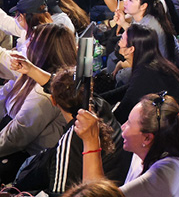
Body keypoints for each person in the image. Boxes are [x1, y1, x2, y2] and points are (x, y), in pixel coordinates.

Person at [11, 67, 127, 196]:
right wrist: (30, 69)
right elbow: (67, 89)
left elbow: (60, 193)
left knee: (27, 164)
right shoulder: (100, 104)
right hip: (115, 182)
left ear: (53, 101)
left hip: (97, 190)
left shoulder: (70, 141)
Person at [74, 93, 179, 197]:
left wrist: (90, 142)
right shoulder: (144, 156)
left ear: (147, 138)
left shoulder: (168, 170)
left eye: (130, 123)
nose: (123, 127)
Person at [0, 24, 77, 178]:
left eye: (32, 41)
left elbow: (16, 137)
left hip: (28, 160)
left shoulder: (44, 93)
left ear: (43, 50)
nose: (26, 43)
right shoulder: (47, 73)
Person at [105, 24, 179, 123]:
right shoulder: (152, 63)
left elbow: (123, 112)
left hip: (176, 127)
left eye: (121, 40)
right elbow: (125, 90)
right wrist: (98, 98)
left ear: (130, 49)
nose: (118, 43)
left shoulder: (146, 73)